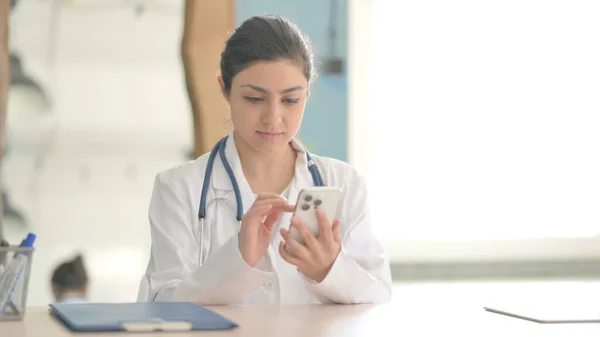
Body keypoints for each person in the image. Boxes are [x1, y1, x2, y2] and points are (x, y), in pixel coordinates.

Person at [138, 14, 392, 305]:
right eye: (255, 99)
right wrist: (238, 261)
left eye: (290, 100)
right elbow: (161, 305)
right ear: (225, 89)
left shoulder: (345, 184)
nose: (273, 118)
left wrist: (330, 271)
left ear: (307, 94)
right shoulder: (178, 188)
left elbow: (379, 298)